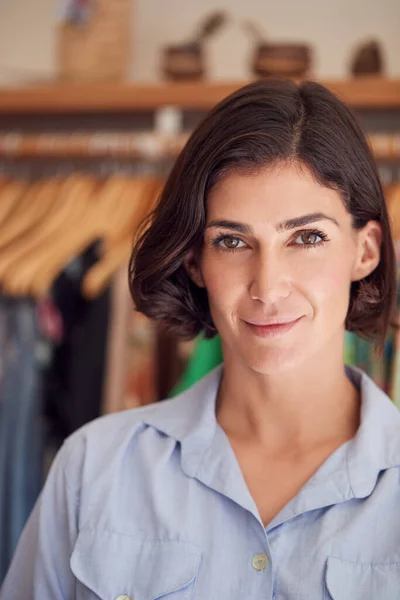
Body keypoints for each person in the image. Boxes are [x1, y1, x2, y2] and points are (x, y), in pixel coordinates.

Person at [1, 79, 399, 599]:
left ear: (365, 251)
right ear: (195, 261)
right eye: (232, 241)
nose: (268, 286)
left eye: (307, 237)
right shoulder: (93, 469)